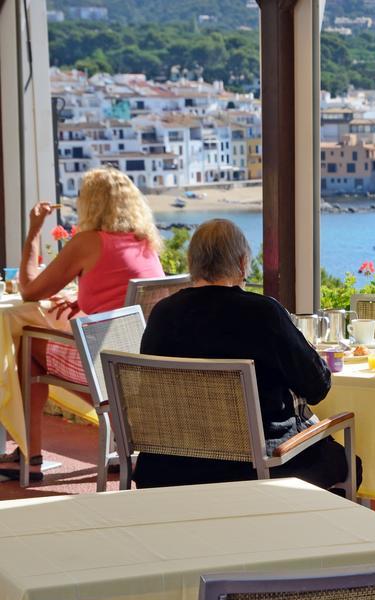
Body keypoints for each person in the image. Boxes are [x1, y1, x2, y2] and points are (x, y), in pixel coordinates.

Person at [137, 219, 355, 490]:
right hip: (257, 469)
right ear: (242, 264)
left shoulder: (162, 314)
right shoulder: (262, 314)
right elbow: (318, 386)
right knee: (346, 461)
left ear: (192, 263)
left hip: (170, 468)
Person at [3, 167, 165, 471]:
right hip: (139, 357)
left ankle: (29, 455)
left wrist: (35, 229)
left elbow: (29, 291)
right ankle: (121, 428)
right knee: (59, 345)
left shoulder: (89, 242)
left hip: (105, 362)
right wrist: (81, 297)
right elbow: (122, 290)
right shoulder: (144, 242)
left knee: (27, 344)